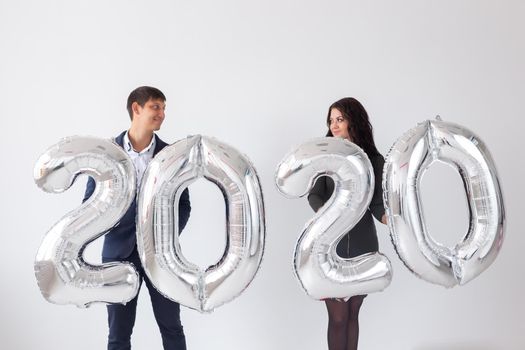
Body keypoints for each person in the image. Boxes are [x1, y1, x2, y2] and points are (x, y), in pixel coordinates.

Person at [83, 86, 191, 350]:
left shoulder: (171, 154)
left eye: (164, 108)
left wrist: (163, 237)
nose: (162, 114)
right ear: (136, 108)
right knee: (118, 333)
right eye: (156, 107)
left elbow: (184, 205)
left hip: (162, 257)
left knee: (172, 328)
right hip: (118, 255)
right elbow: (89, 205)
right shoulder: (106, 153)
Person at [307, 97, 387, 350]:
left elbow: (377, 203)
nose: (334, 125)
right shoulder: (326, 156)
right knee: (338, 316)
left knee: (353, 313)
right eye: (331, 120)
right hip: (331, 246)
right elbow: (314, 194)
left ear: (354, 120)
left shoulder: (374, 159)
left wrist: (391, 219)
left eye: (340, 119)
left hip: (363, 245)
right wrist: (329, 215)